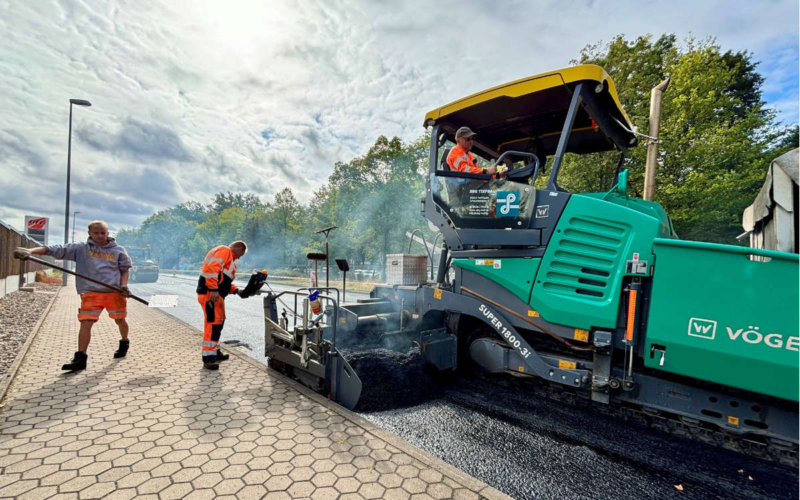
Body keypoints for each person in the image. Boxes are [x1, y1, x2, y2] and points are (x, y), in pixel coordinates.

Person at [14, 220, 133, 371]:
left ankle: (124, 342)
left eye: (103, 233)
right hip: (91, 293)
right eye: (96, 233)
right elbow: (53, 249)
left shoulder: (118, 250)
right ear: (89, 233)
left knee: (120, 320)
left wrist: (124, 285)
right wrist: (30, 251)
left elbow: (125, 269)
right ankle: (80, 358)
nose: (100, 236)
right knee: (86, 323)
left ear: (108, 233)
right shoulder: (80, 249)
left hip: (114, 293)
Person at [196, 241, 248, 370]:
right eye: (241, 253)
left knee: (218, 324)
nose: (240, 257)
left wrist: (236, 291)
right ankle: (208, 359)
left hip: (216, 296)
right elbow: (212, 270)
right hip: (210, 295)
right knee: (213, 325)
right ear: (238, 248)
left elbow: (224, 282)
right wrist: (213, 289)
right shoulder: (225, 251)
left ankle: (215, 353)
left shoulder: (229, 259)